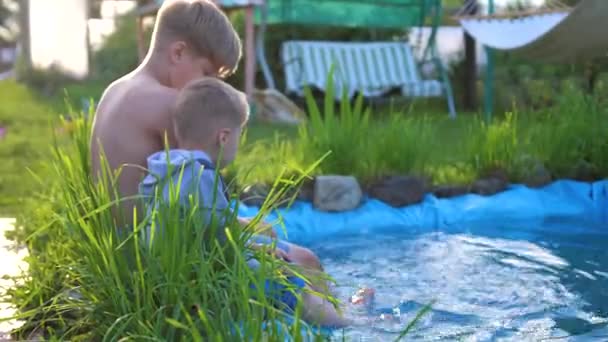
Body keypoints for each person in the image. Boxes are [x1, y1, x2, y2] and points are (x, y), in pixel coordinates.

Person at [138, 77, 349, 327]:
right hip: (210, 273)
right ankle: (346, 323)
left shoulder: (166, 167)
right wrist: (259, 250)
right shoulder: (200, 178)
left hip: (195, 259)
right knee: (296, 288)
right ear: (224, 137)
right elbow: (215, 246)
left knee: (305, 257)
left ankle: (338, 306)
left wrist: (242, 224)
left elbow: (201, 225)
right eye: (240, 134)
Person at [90, 0, 241, 226]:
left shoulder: (116, 88)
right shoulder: (173, 104)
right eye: (207, 73)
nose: (212, 86)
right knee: (302, 256)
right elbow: (198, 207)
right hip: (144, 247)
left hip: (110, 237)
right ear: (178, 52)